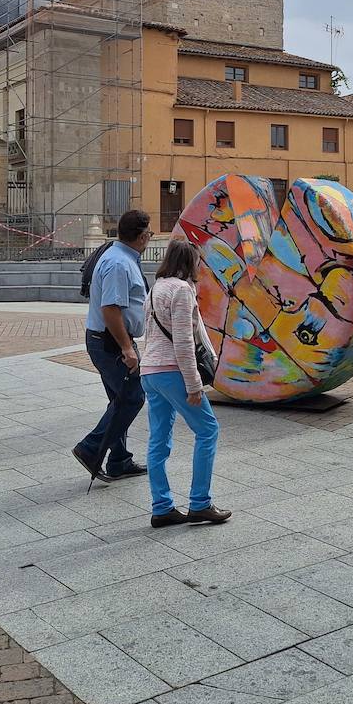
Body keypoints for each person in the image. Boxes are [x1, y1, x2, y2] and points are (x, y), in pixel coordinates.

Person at [141, 239, 230, 528]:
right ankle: (200, 503)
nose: (200, 266)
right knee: (207, 430)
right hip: (172, 371)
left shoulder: (157, 288)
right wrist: (194, 385)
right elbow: (182, 341)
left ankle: (162, 507)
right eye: (198, 261)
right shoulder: (181, 290)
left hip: (150, 371)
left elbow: (149, 332)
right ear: (189, 262)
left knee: (158, 439)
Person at [72, 210, 152, 482]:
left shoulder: (119, 256)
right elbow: (110, 309)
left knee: (119, 400)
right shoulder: (119, 263)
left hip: (107, 340)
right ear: (142, 237)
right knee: (132, 398)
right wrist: (127, 349)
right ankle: (91, 448)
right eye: (149, 234)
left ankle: (119, 460)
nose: (150, 238)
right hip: (112, 342)